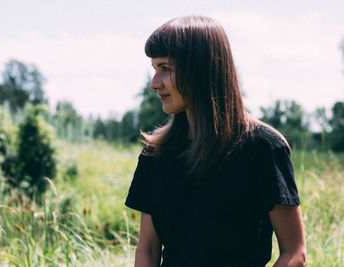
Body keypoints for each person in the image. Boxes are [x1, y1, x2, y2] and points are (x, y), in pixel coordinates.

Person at [125, 16, 306, 267]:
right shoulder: (156, 154)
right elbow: (148, 249)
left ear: (200, 69)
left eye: (166, 69)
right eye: (155, 69)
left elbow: (294, 253)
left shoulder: (264, 148)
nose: (155, 83)